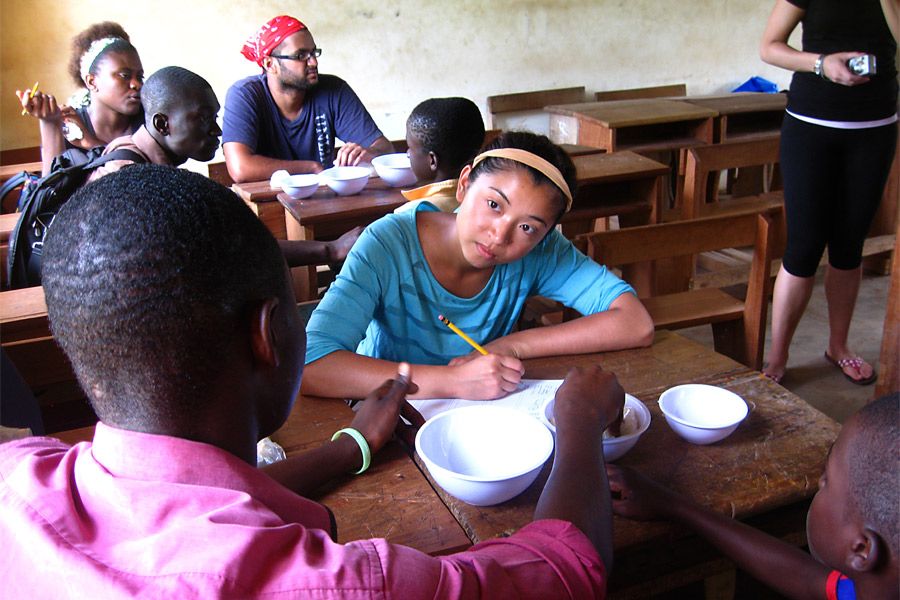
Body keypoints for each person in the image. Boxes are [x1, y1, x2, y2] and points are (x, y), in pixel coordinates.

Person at [0, 164, 623, 598]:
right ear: (270, 335)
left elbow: (190, 500)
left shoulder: (16, 478)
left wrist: (347, 447)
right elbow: (565, 570)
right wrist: (576, 424)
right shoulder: (336, 583)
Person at [302, 131, 655, 401]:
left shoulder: (541, 251)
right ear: (464, 183)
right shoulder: (388, 245)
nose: (500, 235)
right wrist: (451, 382)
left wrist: (511, 346)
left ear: (546, 234)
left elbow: (635, 323)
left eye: (528, 227)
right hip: (387, 408)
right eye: (493, 204)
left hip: (479, 414)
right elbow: (311, 366)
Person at [608, 393, 899, 599]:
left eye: (828, 480)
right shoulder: (871, 585)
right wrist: (672, 504)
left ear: (861, 549)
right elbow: (809, 579)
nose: (820, 481)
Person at [87, 65, 361, 266]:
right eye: (203, 118)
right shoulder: (126, 178)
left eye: (215, 118)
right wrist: (331, 250)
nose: (217, 131)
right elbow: (218, 250)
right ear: (162, 124)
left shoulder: (150, 166)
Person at [759, 0, 898, 385]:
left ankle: (839, 346)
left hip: (875, 128)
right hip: (811, 125)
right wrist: (821, 63)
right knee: (802, 247)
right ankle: (777, 358)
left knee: (849, 246)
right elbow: (770, 46)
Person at [222, 15, 393, 183]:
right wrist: (311, 168)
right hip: (267, 204)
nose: (313, 62)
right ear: (269, 64)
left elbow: (386, 149)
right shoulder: (244, 95)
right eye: (300, 55)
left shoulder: (334, 90)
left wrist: (369, 153)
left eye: (314, 53)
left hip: (322, 202)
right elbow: (240, 168)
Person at [16, 22, 144, 175]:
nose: (136, 84)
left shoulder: (149, 120)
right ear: (91, 81)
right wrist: (49, 124)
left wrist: (93, 144)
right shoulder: (69, 126)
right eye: (125, 75)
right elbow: (53, 192)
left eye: (140, 77)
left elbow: (145, 177)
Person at [395, 96, 486, 214]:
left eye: (410, 147)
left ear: (432, 160)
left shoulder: (409, 216)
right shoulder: (487, 202)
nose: (408, 153)